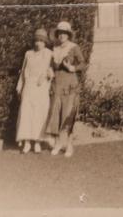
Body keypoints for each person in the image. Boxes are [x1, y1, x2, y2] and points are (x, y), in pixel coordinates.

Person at [46, 21, 85, 157]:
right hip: (57, 83)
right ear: (57, 35)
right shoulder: (54, 49)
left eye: (65, 33)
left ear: (68, 35)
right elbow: (51, 65)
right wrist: (50, 71)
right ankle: (57, 144)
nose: (62, 35)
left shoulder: (74, 47)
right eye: (60, 33)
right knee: (55, 113)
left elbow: (82, 64)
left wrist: (72, 68)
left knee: (68, 114)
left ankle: (69, 145)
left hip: (70, 84)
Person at [16, 29, 54, 154]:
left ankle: (37, 142)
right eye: (37, 40)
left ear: (45, 42)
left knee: (39, 114)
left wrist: (47, 75)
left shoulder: (49, 54)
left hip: (41, 87)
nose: (39, 43)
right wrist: (20, 86)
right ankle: (27, 142)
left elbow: (52, 71)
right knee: (27, 113)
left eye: (41, 41)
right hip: (29, 86)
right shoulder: (28, 54)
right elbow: (23, 71)